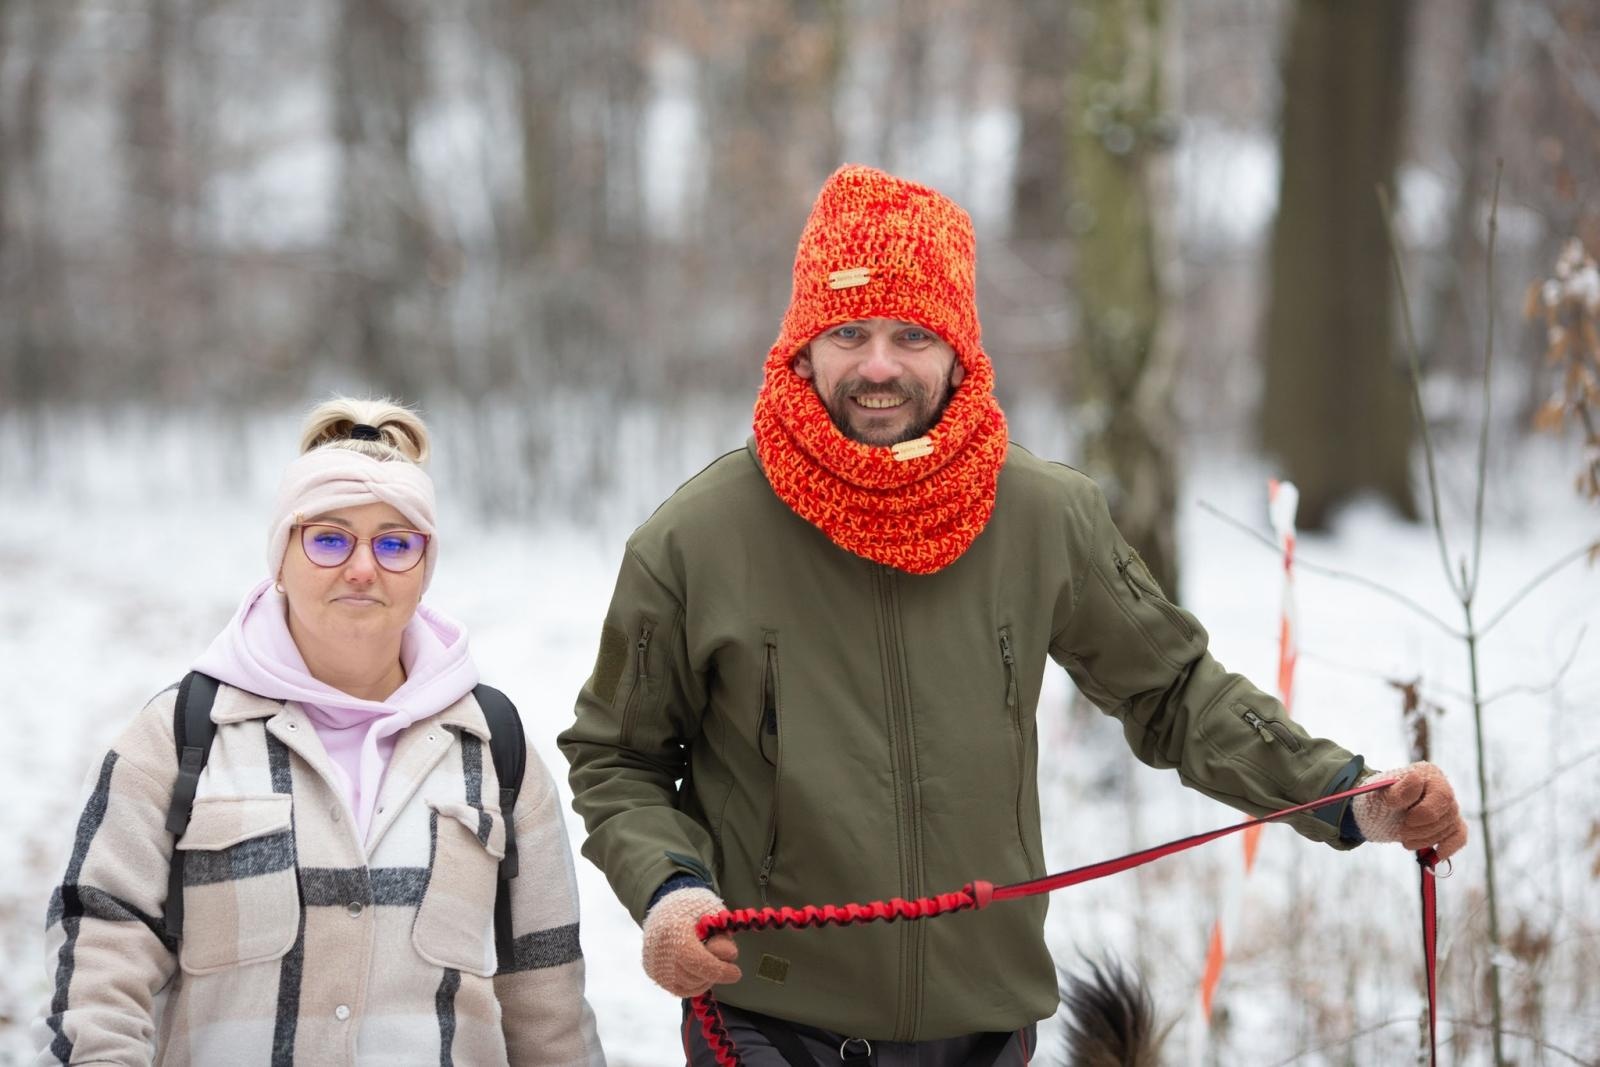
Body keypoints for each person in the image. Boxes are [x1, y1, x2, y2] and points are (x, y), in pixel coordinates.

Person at [558, 165, 1468, 1065]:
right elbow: (617, 755)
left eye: (913, 334)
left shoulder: (1043, 515)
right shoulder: (696, 539)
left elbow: (1177, 694)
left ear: (959, 349)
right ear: (802, 345)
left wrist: (1354, 797)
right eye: (849, 332)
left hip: (987, 1028)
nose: (879, 366)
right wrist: (670, 889)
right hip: (768, 1021)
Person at [37, 398, 604, 1066]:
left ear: (425, 570)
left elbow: (549, 1011)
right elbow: (100, 961)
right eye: (329, 538)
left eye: (395, 542)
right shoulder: (178, 737)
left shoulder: (494, 750)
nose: (363, 567)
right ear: (280, 557)